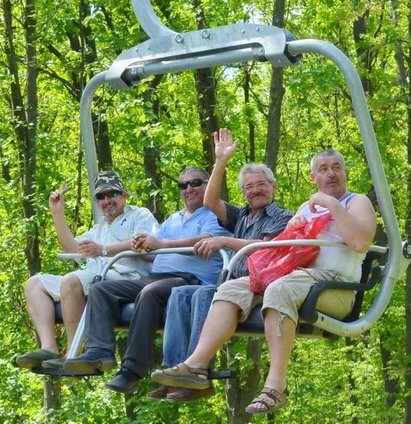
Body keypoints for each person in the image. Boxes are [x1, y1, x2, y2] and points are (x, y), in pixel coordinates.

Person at [151, 144, 377, 415]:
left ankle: (276, 385)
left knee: (279, 289)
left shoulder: (356, 201)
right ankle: (197, 365)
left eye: (336, 168)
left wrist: (329, 203)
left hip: (333, 285)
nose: (331, 174)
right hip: (296, 276)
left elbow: (360, 242)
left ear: (345, 173)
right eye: (324, 169)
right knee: (231, 288)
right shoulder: (305, 207)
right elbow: (286, 247)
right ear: (313, 177)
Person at [148, 129, 292, 402]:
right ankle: (175, 371)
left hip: (258, 283)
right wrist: (221, 162)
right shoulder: (241, 216)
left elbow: (262, 249)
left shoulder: (283, 216)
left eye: (261, 185)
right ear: (243, 192)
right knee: (180, 294)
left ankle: (198, 371)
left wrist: (223, 240)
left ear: (273, 187)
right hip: (231, 284)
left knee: (204, 293)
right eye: (249, 187)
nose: (256, 191)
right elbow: (210, 201)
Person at [62, 167, 232, 394]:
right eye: (183, 185)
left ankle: (131, 371)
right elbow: (152, 249)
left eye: (195, 183)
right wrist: (142, 245)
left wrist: (161, 245)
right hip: (156, 275)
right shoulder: (173, 219)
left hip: (189, 279)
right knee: (101, 289)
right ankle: (99, 351)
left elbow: (203, 241)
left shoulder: (216, 216)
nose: (189, 189)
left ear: (207, 185)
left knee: (150, 292)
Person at [15, 171, 158, 369]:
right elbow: (71, 248)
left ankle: (74, 352)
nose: (106, 200)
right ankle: (49, 347)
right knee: (35, 284)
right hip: (95, 277)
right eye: (101, 196)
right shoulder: (99, 228)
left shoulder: (139, 215)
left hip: (126, 280)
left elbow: (144, 244)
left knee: (71, 280)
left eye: (112, 194)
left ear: (124, 195)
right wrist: (57, 213)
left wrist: (103, 250)